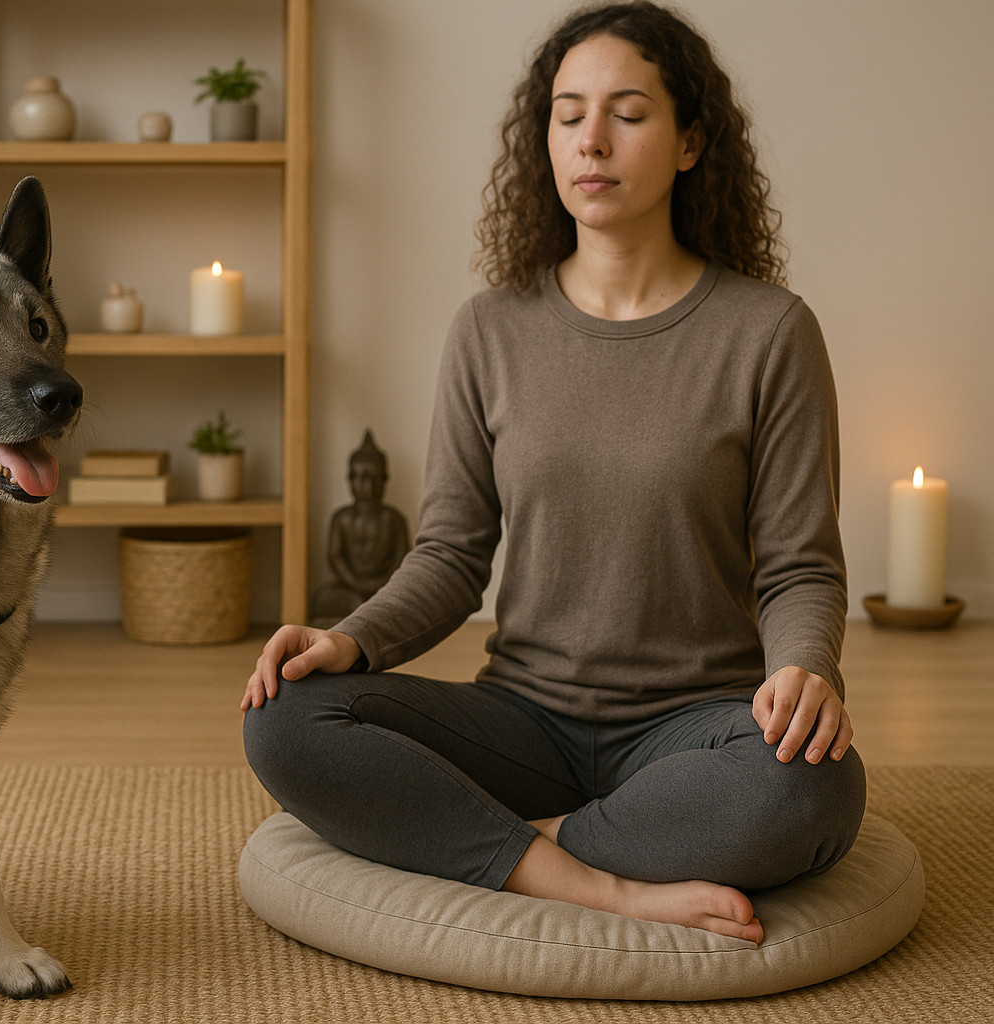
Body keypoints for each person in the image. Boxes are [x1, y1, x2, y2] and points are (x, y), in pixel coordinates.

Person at [240, 1, 865, 944]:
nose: (593, 142)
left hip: (697, 727)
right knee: (285, 718)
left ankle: (505, 849)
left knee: (813, 781)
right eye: (569, 115)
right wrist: (351, 641)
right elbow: (452, 554)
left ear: (691, 141)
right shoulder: (489, 332)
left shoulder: (768, 332)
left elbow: (799, 567)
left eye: (629, 113)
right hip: (523, 724)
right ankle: (595, 881)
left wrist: (803, 669)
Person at [309, 431, 411, 626]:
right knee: (322, 598)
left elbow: (402, 560)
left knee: (412, 597)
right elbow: (335, 558)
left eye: (374, 478)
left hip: (386, 586)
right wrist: (358, 584)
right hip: (349, 589)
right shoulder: (341, 518)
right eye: (362, 478)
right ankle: (369, 608)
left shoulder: (394, 519)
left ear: (384, 479)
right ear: (351, 478)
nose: (368, 486)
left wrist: (379, 585)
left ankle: (367, 607)